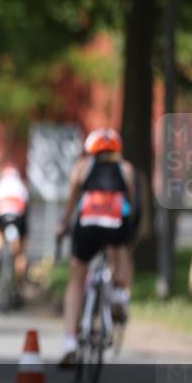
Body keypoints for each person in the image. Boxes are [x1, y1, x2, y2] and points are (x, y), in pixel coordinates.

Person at [56, 128, 135, 368]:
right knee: (119, 251)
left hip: (87, 224)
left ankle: (70, 339)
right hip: (115, 225)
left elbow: (71, 204)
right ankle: (120, 295)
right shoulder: (127, 169)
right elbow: (131, 203)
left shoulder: (82, 167)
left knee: (77, 278)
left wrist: (63, 226)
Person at [0, 162, 30, 291]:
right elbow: (26, 203)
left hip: (1, 214)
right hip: (19, 216)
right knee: (20, 251)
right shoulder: (21, 184)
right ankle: (21, 281)